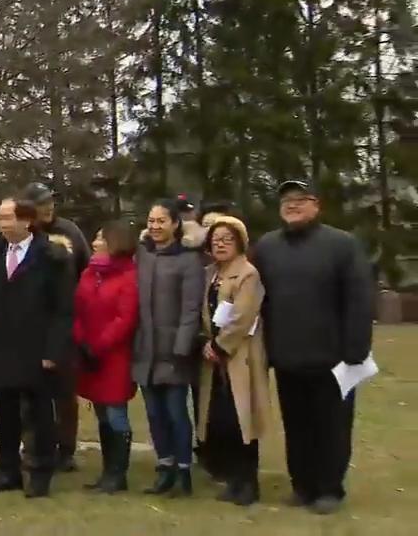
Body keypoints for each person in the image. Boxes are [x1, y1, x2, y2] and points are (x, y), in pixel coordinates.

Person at [252, 180, 373, 515]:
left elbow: (360, 300)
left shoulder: (342, 245)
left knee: (331, 427)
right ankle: (302, 486)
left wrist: (356, 350)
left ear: (316, 204)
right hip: (287, 356)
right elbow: (253, 299)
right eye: (285, 200)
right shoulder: (267, 246)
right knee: (297, 426)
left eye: (299, 199)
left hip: (333, 359)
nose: (291, 205)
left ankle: (329, 488)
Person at [0, 196, 73, 498]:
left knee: (40, 416)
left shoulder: (51, 256)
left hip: (37, 351)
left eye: (9, 218)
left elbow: (63, 310)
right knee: (6, 415)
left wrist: (52, 352)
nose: (3, 224)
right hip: (0, 349)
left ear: (27, 220)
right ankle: (8, 472)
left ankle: (41, 473)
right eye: (0, 218)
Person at [132, 198, 206, 496]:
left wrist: (181, 347)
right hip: (145, 349)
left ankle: (184, 470)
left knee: (176, 411)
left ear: (175, 224)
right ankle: (164, 466)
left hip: (174, 350)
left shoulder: (189, 259)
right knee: (154, 413)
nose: (155, 226)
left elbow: (191, 309)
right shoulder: (143, 254)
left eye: (161, 221)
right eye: (151, 220)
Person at [197, 216, 271, 507]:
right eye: (216, 240)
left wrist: (219, 345)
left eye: (227, 238)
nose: (221, 244)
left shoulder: (248, 274)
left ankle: (248, 483)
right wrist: (205, 341)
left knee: (243, 420)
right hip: (213, 358)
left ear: (240, 242)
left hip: (240, 357)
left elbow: (243, 315)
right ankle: (232, 480)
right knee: (222, 419)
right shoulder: (210, 274)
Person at [20, 182, 88, 473]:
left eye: (50, 202)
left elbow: (85, 268)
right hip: (30, 322)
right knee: (29, 391)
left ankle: (66, 449)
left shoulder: (70, 232)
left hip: (64, 319)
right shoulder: (22, 234)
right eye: (41, 203)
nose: (48, 207)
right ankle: (34, 446)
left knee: (64, 391)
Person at [72, 220, 139, 494]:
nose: (95, 242)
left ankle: (117, 473)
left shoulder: (129, 277)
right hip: (89, 354)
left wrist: (98, 346)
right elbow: (76, 308)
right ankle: (107, 472)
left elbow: (125, 319)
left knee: (115, 413)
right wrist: (81, 341)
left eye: (101, 238)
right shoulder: (90, 273)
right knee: (101, 414)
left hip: (114, 357)